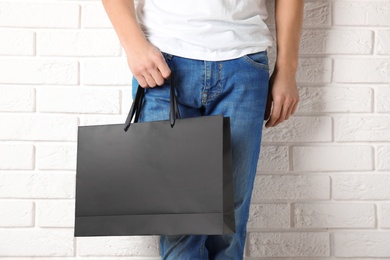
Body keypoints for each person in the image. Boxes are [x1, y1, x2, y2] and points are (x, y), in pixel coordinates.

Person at [102, 0, 303, 259]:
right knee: (177, 225)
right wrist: (134, 46)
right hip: (162, 65)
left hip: (243, 65)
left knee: (228, 224)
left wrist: (287, 69)